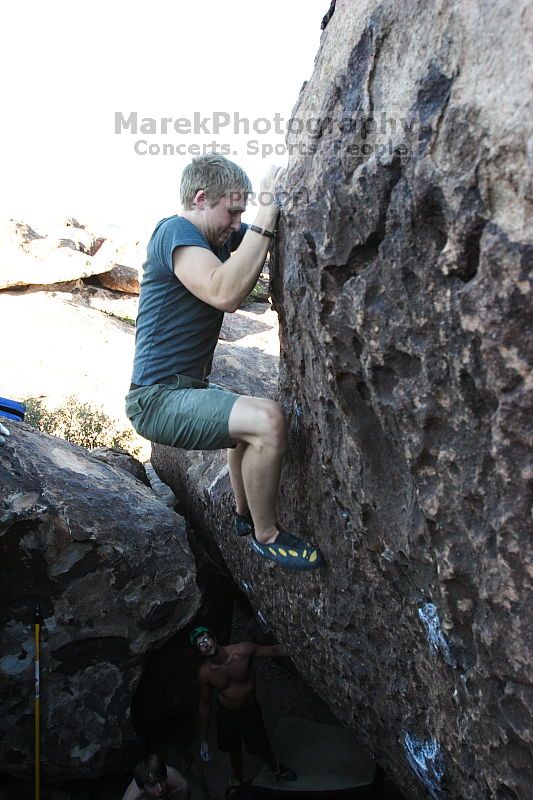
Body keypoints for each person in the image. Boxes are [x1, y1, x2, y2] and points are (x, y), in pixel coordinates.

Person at [125, 153, 322, 571]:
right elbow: (224, 292)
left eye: (241, 213)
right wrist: (269, 205)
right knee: (267, 420)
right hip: (157, 399)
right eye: (232, 211)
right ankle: (267, 537)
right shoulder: (174, 232)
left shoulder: (217, 237)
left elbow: (259, 242)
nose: (237, 223)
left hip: (185, 388)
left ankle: (241, 515)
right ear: (200, 198)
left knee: (246, 426)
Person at [190, 626, 296, 797]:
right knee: (233, 747)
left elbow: (275, 650)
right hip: (226, 713)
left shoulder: (242, 651)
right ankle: (238, 779)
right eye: (199, 643)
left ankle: (275, 767)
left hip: (249, 710)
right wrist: (203, 739)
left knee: (260, 744)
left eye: (205, 637)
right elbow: (204, 704)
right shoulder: (206, 673)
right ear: (200, 652)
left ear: (214, 638)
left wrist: (304, 646)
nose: (204, 643)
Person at [121, 754, 189, 800]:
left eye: (162, 780)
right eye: (153, 785)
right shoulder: (132, 797)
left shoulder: (180, 786)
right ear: (142, 788)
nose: (160, 788)